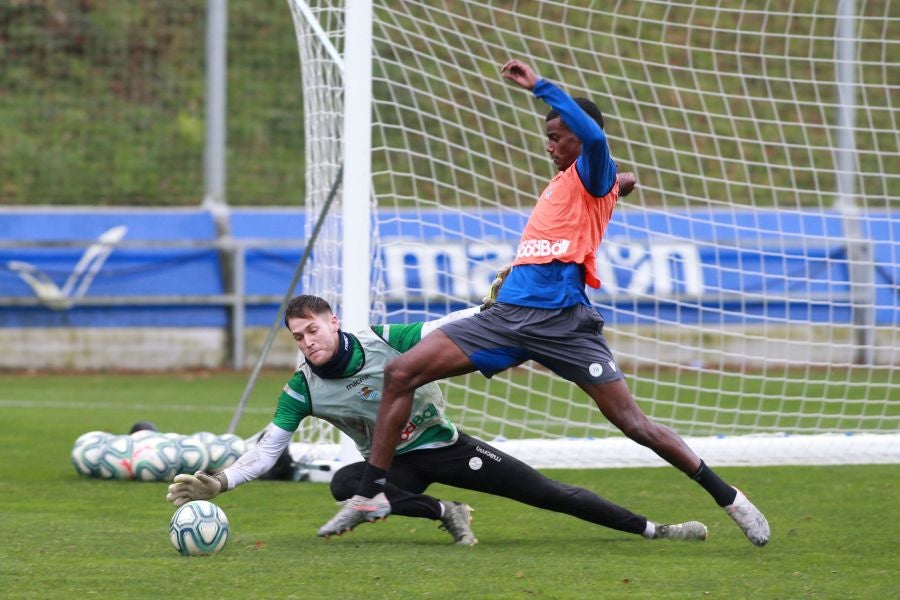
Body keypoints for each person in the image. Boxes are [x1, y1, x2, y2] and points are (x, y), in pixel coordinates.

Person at [319, 58, 770, 547]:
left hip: (563, 325)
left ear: (581, 133)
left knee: (632, 424)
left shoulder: (593, 166)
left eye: (558, 135)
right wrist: (623, 187)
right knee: (401, 372)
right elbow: (611, 186)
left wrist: (541, 87)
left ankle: (729, 497)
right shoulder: (569, 182)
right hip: (505, 318)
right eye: (548, 136)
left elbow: (598, 148)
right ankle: (370, 493)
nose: (550, 144)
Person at [166, 294, 709, 545]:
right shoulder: (301, 388)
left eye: (313, 330)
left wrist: (495, 310)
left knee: (549, 493)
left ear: (334, 322)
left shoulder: (385, 341)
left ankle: (655, 529)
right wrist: (221, 481)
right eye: (298, 337)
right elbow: (268, 448)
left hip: (444, 446)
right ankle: (444, 512)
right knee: (346, 483)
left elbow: (445, 324)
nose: (308, 343)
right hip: (388, 469)